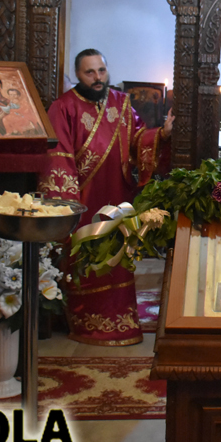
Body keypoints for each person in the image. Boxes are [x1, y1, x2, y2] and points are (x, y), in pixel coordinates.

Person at [40, 48, 174, 345]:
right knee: (86, 259)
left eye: (101, 70)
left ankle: (120, 317)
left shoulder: (120, 103)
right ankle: (85, 322)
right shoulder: (63, 107)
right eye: (90, 72)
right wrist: (68, 204)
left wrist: (162, 135)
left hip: (116, 197)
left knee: (116, 260)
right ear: (78, 74)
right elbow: (58, 157)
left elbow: (138, 140)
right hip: (83, 200)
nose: (97, 77)